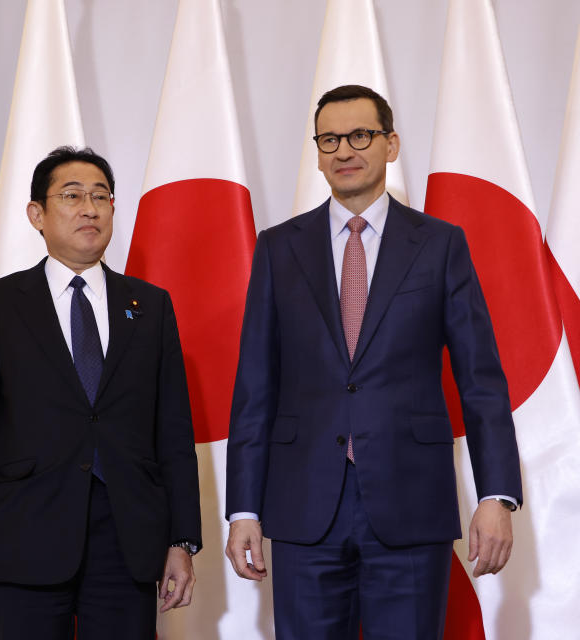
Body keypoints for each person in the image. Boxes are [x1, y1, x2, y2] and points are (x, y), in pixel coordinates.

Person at [224, 85, 522, 639]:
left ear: (390, 144)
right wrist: (243, 508)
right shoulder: (277, 248)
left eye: (360, 135)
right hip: (303, 506)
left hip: (411, 501)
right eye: (330, 139)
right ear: (317, 152)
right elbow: (255, 388)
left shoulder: (440, 244)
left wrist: (496, 494)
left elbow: (480, 378)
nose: (344, 150)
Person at [0, 146, 202, 640]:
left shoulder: (150, 307)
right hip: (25, 534)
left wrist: (182, 540)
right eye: (73, 195)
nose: (90, 208)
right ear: (37, 213)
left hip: (128, 537)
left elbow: (173, 432)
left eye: (101, 196)